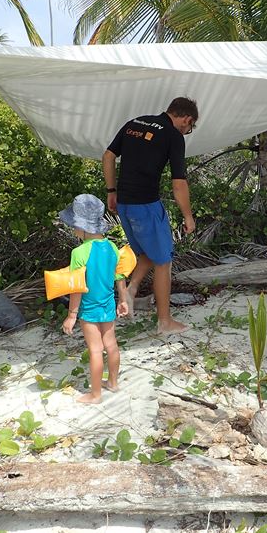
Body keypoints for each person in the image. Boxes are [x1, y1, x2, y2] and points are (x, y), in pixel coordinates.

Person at [103, 97, 198, 335]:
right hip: (146, 205)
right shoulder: (172, 135)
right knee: (164, 261)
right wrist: (188, 215)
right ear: (187, 119)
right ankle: (164, 322)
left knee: (146, 251)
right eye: (189, 128)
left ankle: (131, 289)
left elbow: (108, 156)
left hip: (124, 204)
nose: (186, 132)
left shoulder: (134, 123)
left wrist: (111, 191)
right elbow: (179, 184)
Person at [59, 194, 129, 404]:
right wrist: (123, 300)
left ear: (82, 228)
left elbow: (76, 287)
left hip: (89, 310)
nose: (73, 230)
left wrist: (72, 315)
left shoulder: (79, 253)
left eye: (73, 226)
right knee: (112, 345)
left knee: (95, 349)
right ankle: (113, 383)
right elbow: (120, 276)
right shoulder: (112, 247)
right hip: (108, 305)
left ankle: (96, 394)